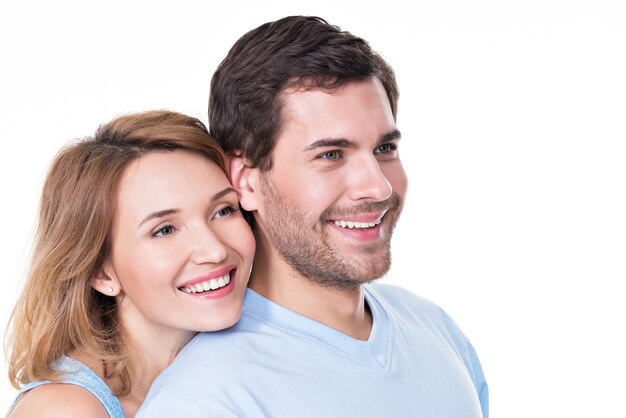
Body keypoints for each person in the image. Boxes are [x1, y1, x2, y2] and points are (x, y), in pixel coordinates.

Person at [139, 16, 489, 417]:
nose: (378, 188)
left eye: (384, 149)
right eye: (330, 155)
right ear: (246, 181)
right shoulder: (204, 399)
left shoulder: (436, 330)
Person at [5, 110, 255, 417]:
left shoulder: (235, 373)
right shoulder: (66, 409)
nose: (215, 250)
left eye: (223, 210)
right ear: (101, 272)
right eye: (164, 230)